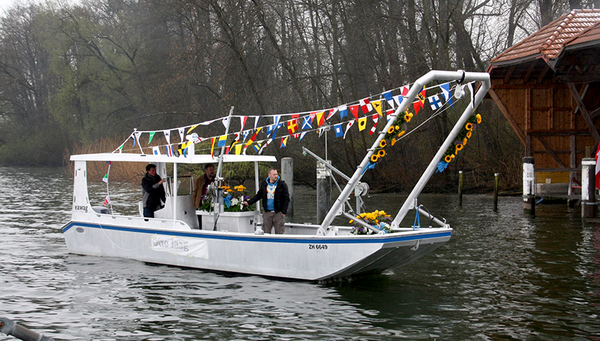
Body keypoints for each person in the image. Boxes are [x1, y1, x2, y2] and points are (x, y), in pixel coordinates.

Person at [243, 168, 290, 234]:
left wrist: (284, 212)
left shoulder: (282, 185)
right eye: (274, 174)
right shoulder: (264, 184)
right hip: (267, 213)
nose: (276, 176)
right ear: (269, 175)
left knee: (279, 232)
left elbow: (286, 199)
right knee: (266, 232)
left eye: (276, 174)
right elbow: (259, 195)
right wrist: (249, 202)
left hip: (278, 212)